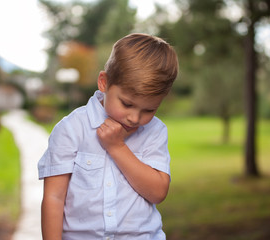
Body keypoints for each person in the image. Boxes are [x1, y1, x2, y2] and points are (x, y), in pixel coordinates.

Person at [38, 33, 179, 240]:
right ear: (104, 83)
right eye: (127, 104)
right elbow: (54, 197)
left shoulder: (155, 132)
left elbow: (158, 192)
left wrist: (117, 147)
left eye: (149, 110)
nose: (134, 118)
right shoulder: (71, 129)